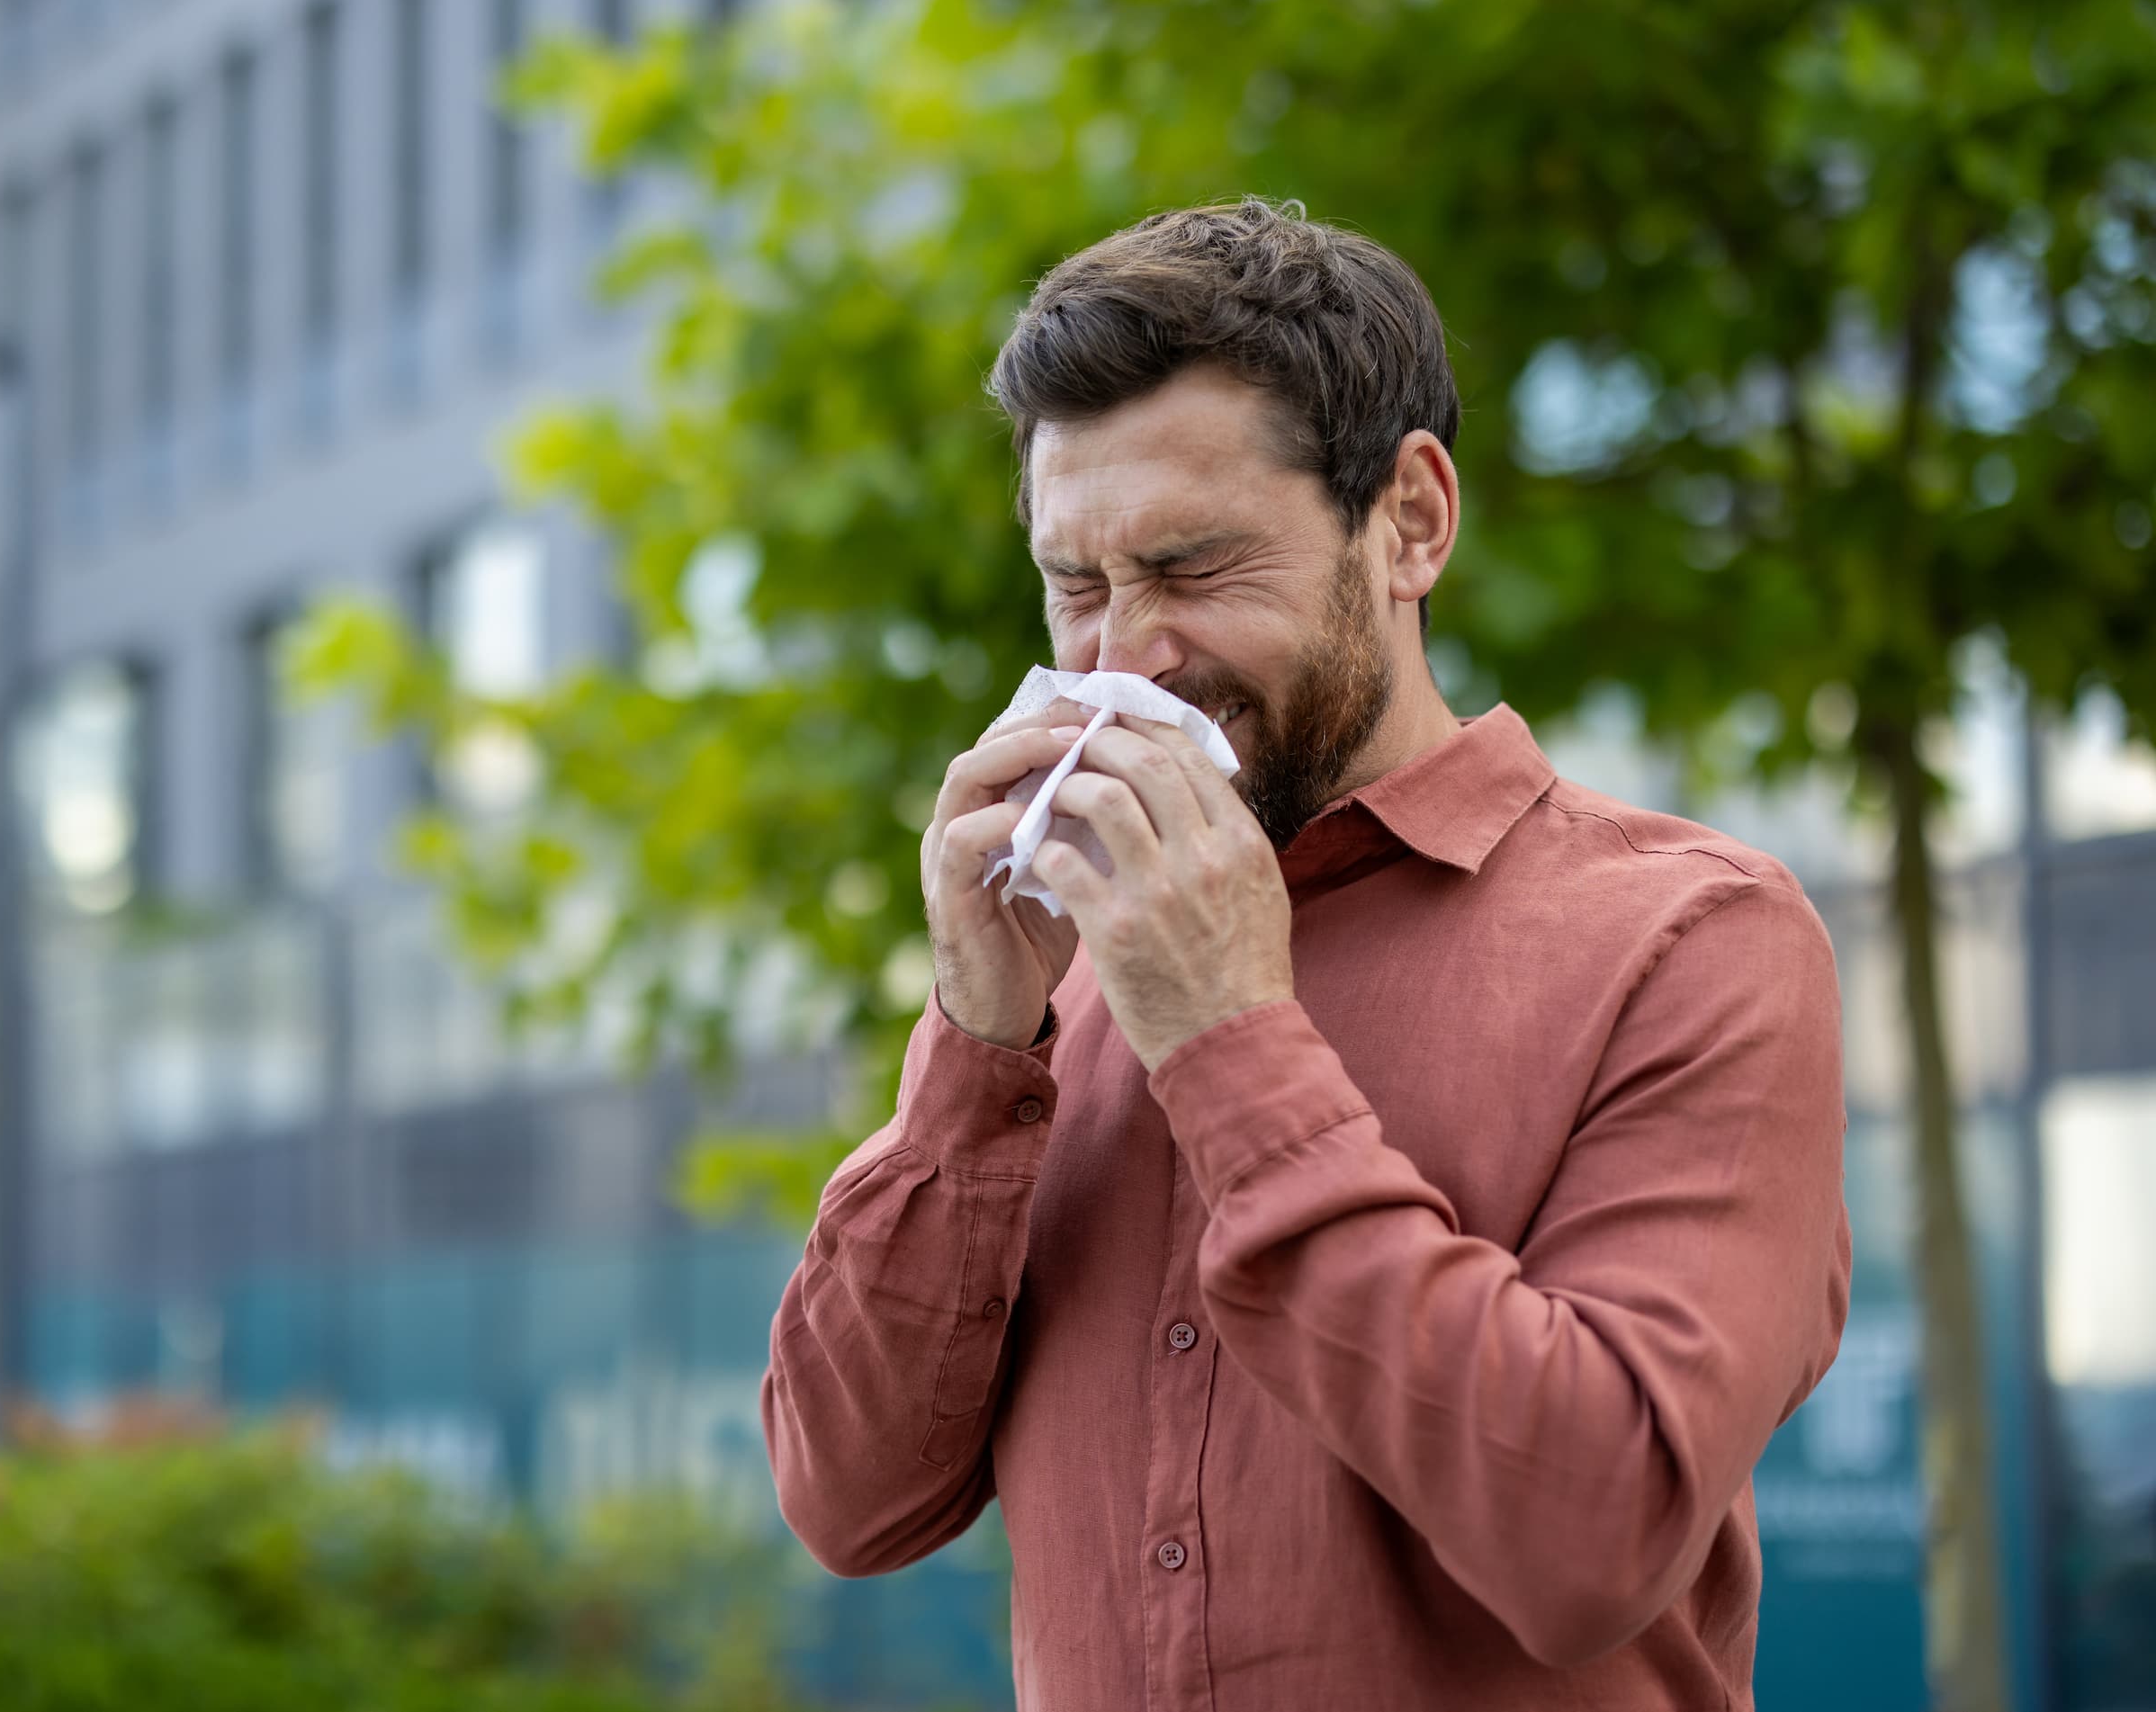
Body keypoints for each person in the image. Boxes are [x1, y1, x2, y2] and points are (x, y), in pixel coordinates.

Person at [759, 197, 1851, 1710]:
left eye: (1192, 569)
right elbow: (848, 1498)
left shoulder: (1694, 939)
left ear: (1411, 521)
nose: (1121, 659)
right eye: (1077, 586)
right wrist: (974, 1037)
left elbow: (1593, 1534)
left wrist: (1225, 1040)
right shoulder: (1062, 967)